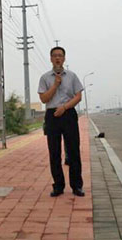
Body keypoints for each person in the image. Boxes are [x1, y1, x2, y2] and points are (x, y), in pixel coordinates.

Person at [38, 46, 85, 197]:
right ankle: (58, 186)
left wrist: (64, 108)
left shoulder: (72, 76)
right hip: (52, 116)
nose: (57, 58)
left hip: (68, 113)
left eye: (60, 55)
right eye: (54, 56)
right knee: (54, 152)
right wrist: (55, 85)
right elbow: (44, 98)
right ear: (51, 58)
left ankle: (76, 186)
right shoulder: (45, 78)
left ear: (64, 58)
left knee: (73, 151)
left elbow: (78, 96)